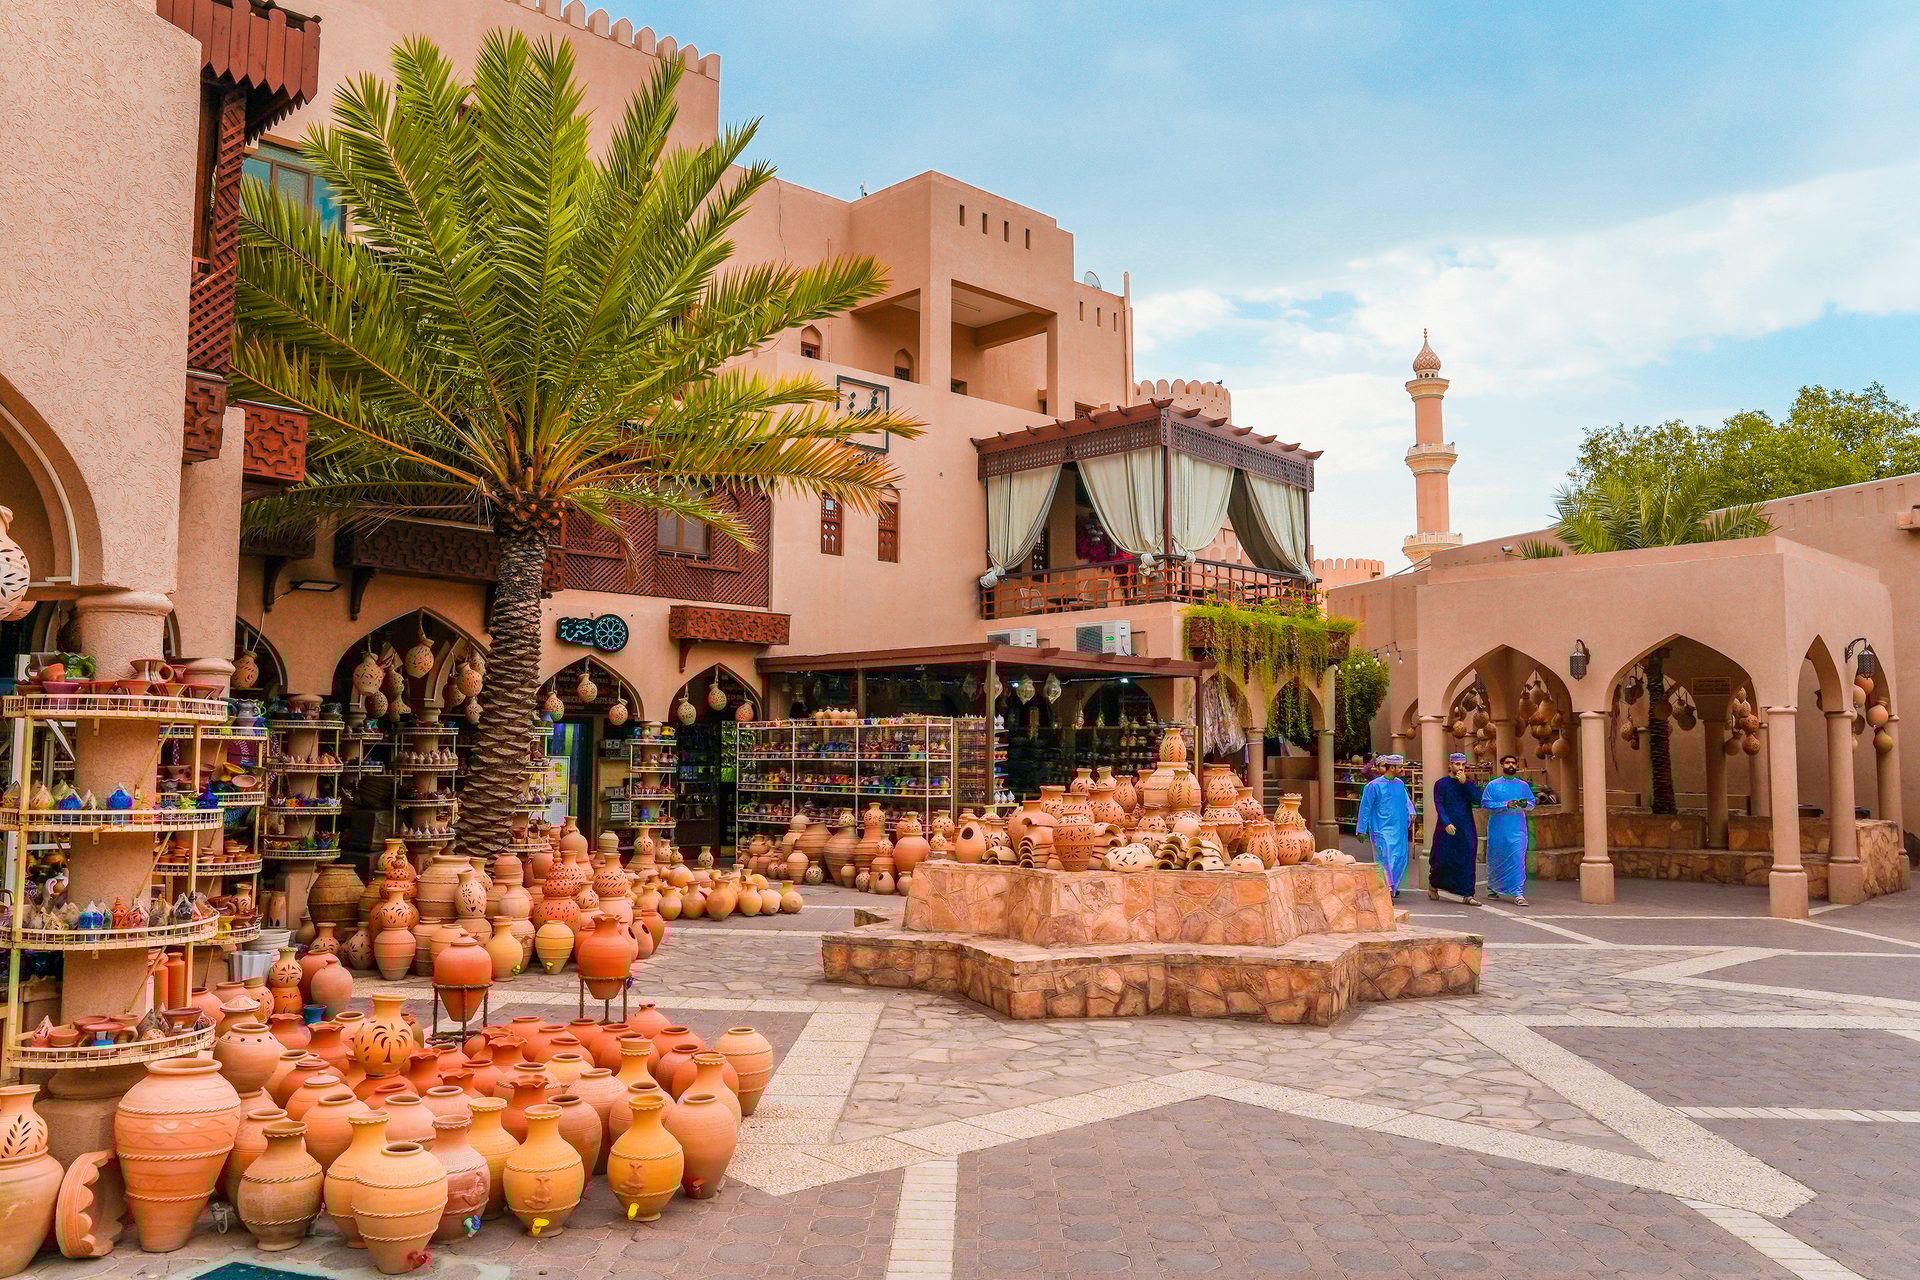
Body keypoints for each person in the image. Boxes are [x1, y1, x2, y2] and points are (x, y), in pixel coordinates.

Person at [1480, 753, 1536, 905]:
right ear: (1502, 765)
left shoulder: (1523, 786)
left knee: (1517, 859)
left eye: (1513, 763)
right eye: (1507, 763)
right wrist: (1506, 804)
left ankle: (1518, 893)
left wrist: (1525, 804)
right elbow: (1485, 804)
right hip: (1497, 829)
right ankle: (1493, 887)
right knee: (1496, 857)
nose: (1511, 765)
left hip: (1517, 830)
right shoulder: (1493, 785)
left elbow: (1532, 803)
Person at [1355, 754, 1412, 897]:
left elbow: (1406, 802)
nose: (1402, 769)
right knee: (1385, 860)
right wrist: (1361, 829)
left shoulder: (1400, 784)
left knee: (1399, 859)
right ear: (1392, 768)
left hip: (1399, 830)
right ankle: (1385, 890)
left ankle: (1391, 886)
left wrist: (1411, 813)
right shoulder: (1373, 786)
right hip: (1381, 830)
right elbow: (1365, 808)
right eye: (1400, 767)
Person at [1428, 753, 1481, 905]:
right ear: (1450, 765)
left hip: (1466, 826)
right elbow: (1439, 804)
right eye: (1458, 764)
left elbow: (1477, 799)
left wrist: (1465, 784)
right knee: (1442, 857)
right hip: (1446, 828)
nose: (1461, 768)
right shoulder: (1441, 784)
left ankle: (1468, 894)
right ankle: (1434, 884)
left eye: (1464, 765)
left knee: (1467, 857)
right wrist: (1446, 823)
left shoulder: (1468, 783)